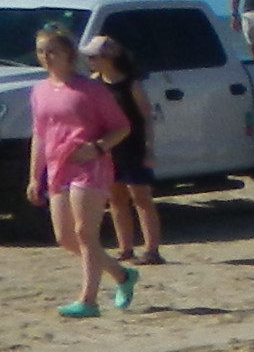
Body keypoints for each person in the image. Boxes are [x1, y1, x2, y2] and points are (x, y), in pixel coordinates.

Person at [23, 28, 135, 318]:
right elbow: (40, 135)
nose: (46, 57)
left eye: (52, 51)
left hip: (90, 166)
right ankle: (121, 275)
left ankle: (88, 301)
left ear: (68, 54)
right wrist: (35, 176)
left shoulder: (91, 89)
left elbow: (122, 127)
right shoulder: (40, 90)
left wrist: (97, 147)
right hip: (58, 167)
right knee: (66, 238)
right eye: (41, 52)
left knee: (85, 232)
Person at [83, 37, 165, 267]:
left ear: (109, 58)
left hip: (133, 146)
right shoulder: (95, 83)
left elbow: (146, 117)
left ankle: (152, 249)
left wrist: (149, 149)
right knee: (116, 198)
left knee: (141, 197)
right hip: (108, 146)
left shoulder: (131, 84)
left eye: (93, 57)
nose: (89, 61)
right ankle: (125, 247)